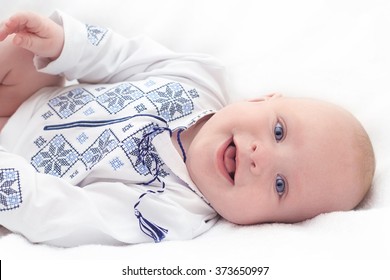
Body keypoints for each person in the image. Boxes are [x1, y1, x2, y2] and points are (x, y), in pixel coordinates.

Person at [0, 11, 375, 246]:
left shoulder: (170, 212)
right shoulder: (198, 78)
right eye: (279, 132)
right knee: (22, 51)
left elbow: (70, 214)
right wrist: (65, 44)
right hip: (26, 98)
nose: (262, 157)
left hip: (14, 164)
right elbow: (123, 56)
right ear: (262, 98)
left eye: (281, 185)